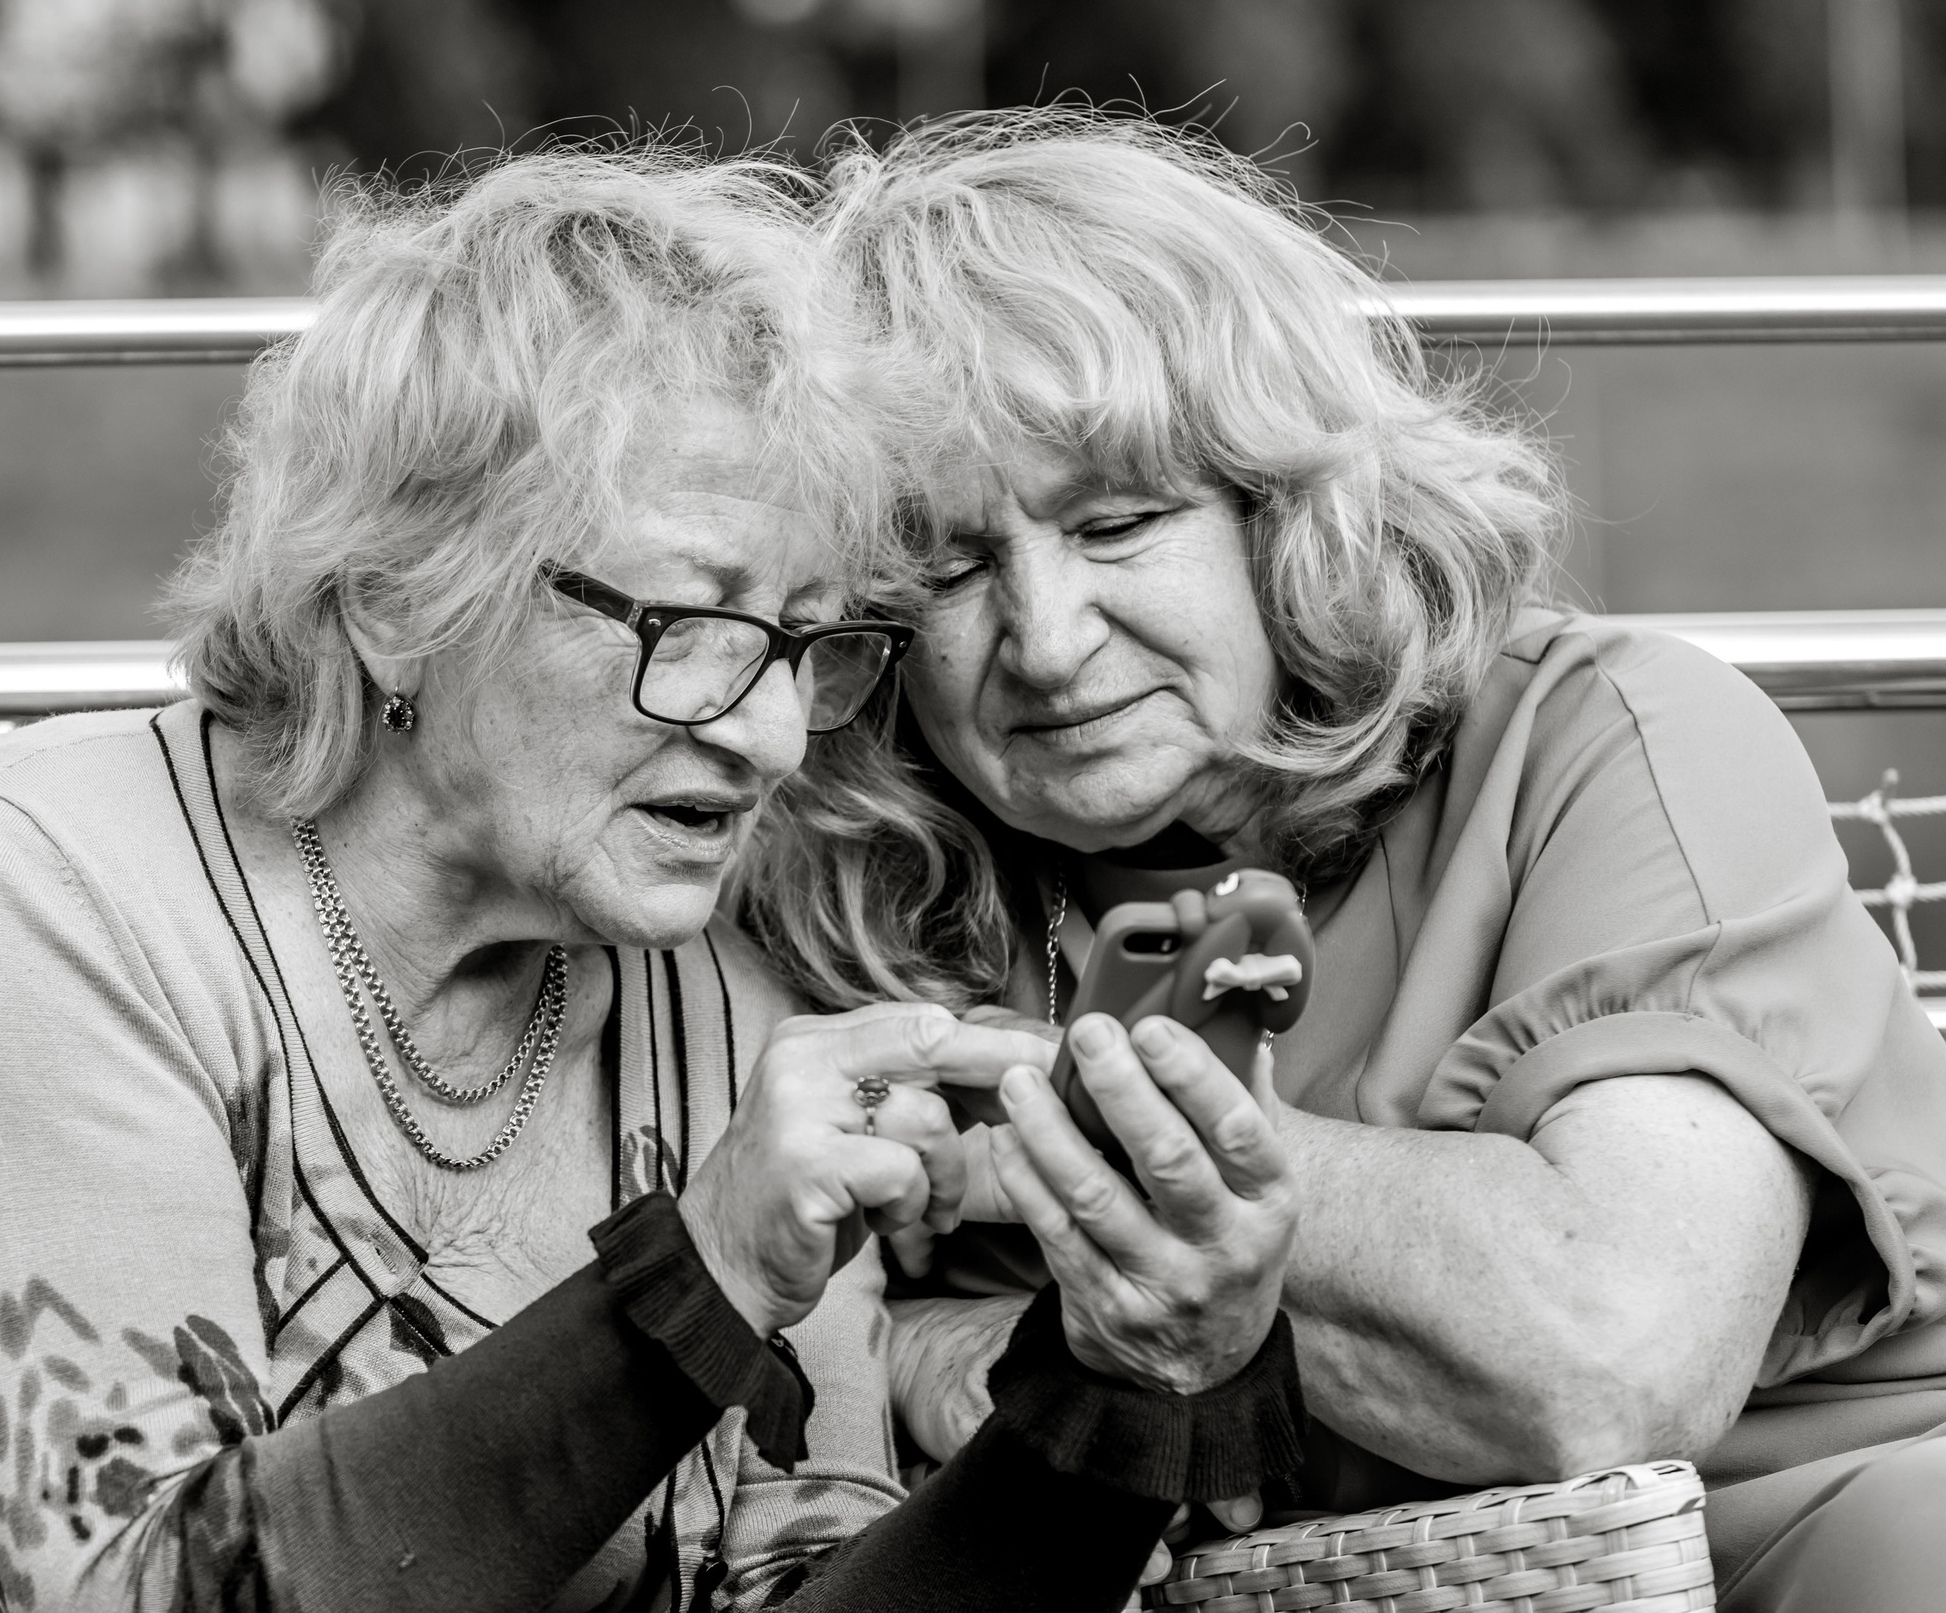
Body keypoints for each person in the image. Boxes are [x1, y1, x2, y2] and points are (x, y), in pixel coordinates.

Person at [0, 147, 1306, 1612]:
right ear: (400, 594)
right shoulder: (46, 886)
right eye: (690, 626)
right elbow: (123, 1597)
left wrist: (1119, 1393)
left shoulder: (727, 1001)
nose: (761, 734)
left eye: (810, 646)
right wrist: (708, 1278)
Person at [735, 111, 1946, 1612]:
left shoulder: (1610, 737)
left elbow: (1613, 1366)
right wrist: (933, 1344)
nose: (1044, 643)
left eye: (1117, 523)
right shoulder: (854, 891)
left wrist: (1055, 1147)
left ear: (1289, 515)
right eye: (949, 567)